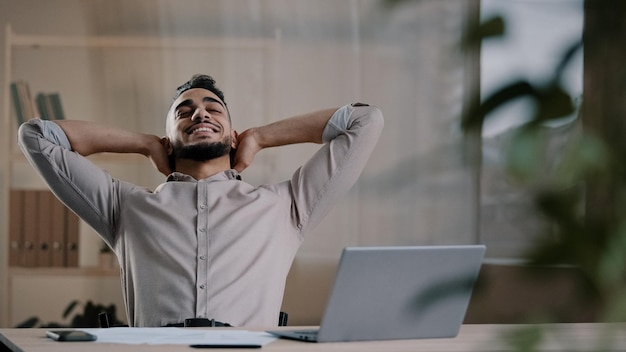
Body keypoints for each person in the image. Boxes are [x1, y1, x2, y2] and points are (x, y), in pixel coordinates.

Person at [18, 74, 384, 327]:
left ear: (232, 134)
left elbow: (365, 120)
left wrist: (261, 136)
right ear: (168, 138)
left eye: (214, 108)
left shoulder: (286, 205)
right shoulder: (123, 207)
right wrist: (144, 144)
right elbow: (37, 136)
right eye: (183, 112)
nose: (200, 113)